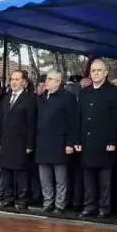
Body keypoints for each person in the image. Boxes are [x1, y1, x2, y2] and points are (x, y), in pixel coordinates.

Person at [77, 59, 117, 218]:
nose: (96, 73)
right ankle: (89, 206)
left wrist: (113, 141)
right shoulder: (84, 92)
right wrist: (77, 140)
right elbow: (79, 117)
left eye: (99, 70)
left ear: (106, 73)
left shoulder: (115, 92)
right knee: (88, 178)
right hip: (87, 142)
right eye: (93, 70)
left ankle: (104, 208)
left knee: (105, 180)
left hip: (105, 143)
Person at [35, 70, 78, 214]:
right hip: (42, 142)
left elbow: (73, 122)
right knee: (44, 176)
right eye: (47, 79)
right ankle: (48, 201)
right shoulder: (41, 97)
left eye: (50, 79)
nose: (46, 81)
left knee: (60, 177)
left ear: (58, 82)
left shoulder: (68, 97)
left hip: (59, 141)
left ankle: (60, 203)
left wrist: (70, 143)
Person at [0, 70, 37, 209]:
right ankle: (9, 198)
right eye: (12, 79)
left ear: (24, 82)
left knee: (21, 172)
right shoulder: (6, 98)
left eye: (17, 79)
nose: (13, 82)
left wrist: (30, 144)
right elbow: (0, 121)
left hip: (21, 142)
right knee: (6, 171)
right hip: (6, 141)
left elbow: (32, 123)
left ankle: (23, 199)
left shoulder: (30, 99)